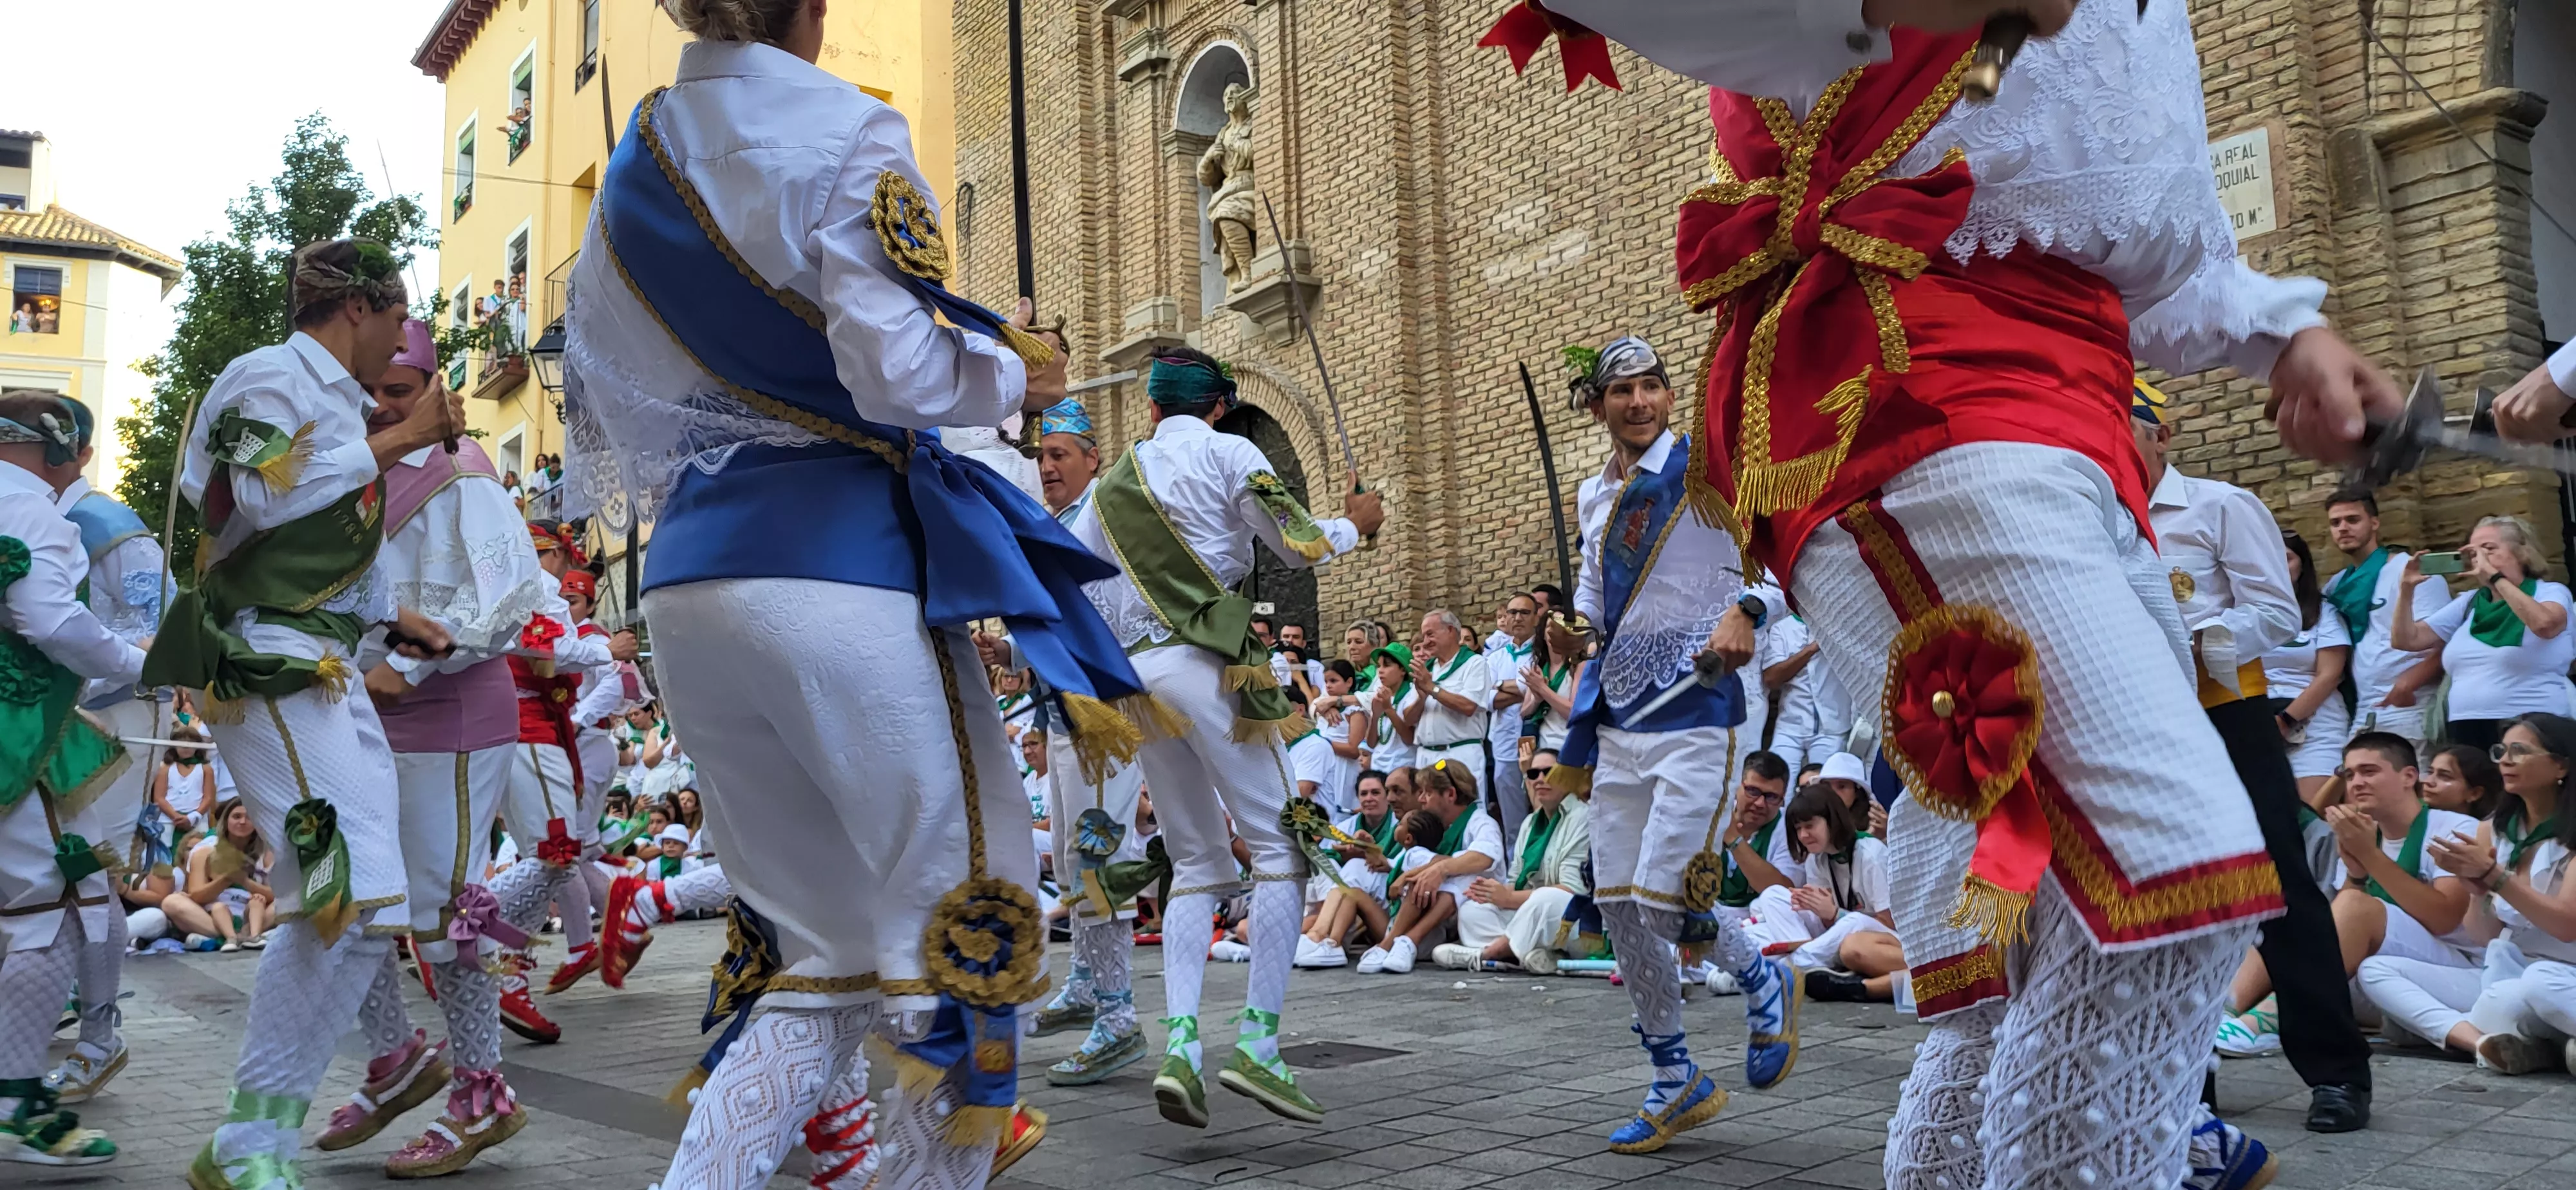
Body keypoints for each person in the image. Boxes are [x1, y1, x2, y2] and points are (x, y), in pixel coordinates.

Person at [1509, 3, 2408, 1184]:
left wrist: (2276, 332)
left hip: (2071, 420)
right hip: (1912, 387)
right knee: (2160, 863)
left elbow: (2130, 221)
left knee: (2011, 947)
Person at [562, 4, 1151, 1180]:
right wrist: (1014, 369)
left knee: (818, 960)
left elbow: (607, 395)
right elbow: (897, 369)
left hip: (691, 578)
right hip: (839, 564)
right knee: (967, 925)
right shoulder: (846, 127)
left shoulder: (638, 157)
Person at [135, 240, 468, 1189]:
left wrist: (394, 617)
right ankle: (247, 1147)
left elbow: (315, 539)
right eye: (401, 316)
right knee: (344, 884)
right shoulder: (265, 375)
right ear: (359, 307)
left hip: (319, 672)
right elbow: (253, 492)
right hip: (264, 667)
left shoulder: (338, 405)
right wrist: (398, 441)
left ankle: (253, 1142)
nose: (406, 339)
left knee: (365, 905)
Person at [1057, 347, 1379, 1129]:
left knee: (1196, 859)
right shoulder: (1233, 451)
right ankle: (1259, 1047)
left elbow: (1088, 595)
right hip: (1210, 666)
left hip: (1139, 683)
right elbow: (1297, 541)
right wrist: (1358, 526)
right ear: (1219, 407)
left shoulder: (1112, 485)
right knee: (1279, 850)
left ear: (1153, 410)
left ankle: (1181, 1047)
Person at [303, 320, 561, 1175]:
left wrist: (407, 676)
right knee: (347, 902)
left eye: (398, 392)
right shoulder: (352, 484)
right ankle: (398, 1059)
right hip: (360, 716)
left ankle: (484, 1095)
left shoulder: (465, 480)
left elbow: (509, 602)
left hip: (448, 721)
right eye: (367, 391)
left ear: (434, 391)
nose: (379, 408)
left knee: (448, 920)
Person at [1545, 334, 1786, 1155]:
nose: (1639, 402)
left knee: (1660, 895)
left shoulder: (1707, 473)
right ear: (1598, 407)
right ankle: (1674, 1076)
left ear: (1668, 397)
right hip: (1619, 716)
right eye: (1623, 392)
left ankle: (1761, 973)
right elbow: (1592, 606)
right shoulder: (1591, 497)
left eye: (1651, 386)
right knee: (1618, 905)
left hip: (1700, 705)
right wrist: (1570, 632)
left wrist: (1746, 613)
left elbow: (1777, 561)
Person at [2136, 377, 2372, 1129]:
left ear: (2160, 433)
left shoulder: (2217, 506)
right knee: (2172, 898)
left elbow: (2276, 612)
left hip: (2228, 710)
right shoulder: (2097, 520)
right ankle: (2184, 1077)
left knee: (2278, 888)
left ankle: (2336, 1073)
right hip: (2144, 721)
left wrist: (2196, 642)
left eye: (2121, 424)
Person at [0, 390, 149, 1167]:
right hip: (16, 738)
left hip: (31, 734)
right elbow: (54, 625)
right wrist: (144, 662)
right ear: (66, 453)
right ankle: (16, 1103)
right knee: (52, 909)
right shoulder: (32, 515)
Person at [41, 398, 170, 1106]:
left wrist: (74, 671)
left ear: (77, 453)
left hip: (115, 718)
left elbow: (157, 632)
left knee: (87, 873)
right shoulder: (35, 518)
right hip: (55, 719)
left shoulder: (111, 528)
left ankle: (98, 1036)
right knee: (58, 872)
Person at [2218, 732, 2479, 1057]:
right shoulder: (2365, 832)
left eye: (2370, 771)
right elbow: (2340, 924)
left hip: (2452, 975)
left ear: (2409, 776)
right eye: (2350, 774)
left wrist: (2369, 858)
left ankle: (2271, 1020)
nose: (2357, 782)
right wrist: (2356, 874)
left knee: (2356, 907)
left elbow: (2444, 919)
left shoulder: (2454, 827)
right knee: (2291, 918)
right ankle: (2225, 1012)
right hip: (2374, 977)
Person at [2360, 713, 2576, 1072]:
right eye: (2501, 751)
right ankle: (2484, 1042)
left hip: (2563, 973)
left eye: (2520, 751)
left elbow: (2567, 926)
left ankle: (2539, 1043)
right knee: (2377, 970)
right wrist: (2477, 890)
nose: (2505, 761)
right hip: (2507, 970)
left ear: (2561, 765)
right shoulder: (2493, 830)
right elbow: (2483, 935)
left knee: (2536, 986)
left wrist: (2494, 875)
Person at [490, 522, 629, 1044]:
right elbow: (543, 654)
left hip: (543, 735)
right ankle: (465, 921)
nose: (567, 583)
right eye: (566, 565)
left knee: (552, 855)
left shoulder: (513, 583)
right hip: (536, 734)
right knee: (557, 853)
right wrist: (607, 651)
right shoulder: (536, 586)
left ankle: (512, 969)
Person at [2388, 515, 2575, 752]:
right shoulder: (2469, 602)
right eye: (2475, 553)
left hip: (2531, 724)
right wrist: (2406, 590)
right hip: (2466, 725)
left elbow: (2545, 625)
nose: (2481, 560)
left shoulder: (2550, 592)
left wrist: (2497, 579)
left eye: (2490, 550)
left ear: (2522, 553)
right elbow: (2406, 640)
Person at [1442, 751, 1591, 972]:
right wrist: (1493, 894)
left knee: (1548, 897)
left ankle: (1491, 953)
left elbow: (1571, 890)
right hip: (1534, 915)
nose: (1540, 779)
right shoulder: (1530, 823)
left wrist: (1509, 897)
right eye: (1533, 773)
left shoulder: (1583, 817)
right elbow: (1515, 880)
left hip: (1574, 920)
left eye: (1548, 772)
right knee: (1473, 911)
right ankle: (1533, 955)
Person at [2320, 489, 2448, 746]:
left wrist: (2409, 684)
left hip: (2411, 704)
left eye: (2353, 520)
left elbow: (2445, 638)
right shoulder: (2335, 587)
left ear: (2375, 523)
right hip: (2364, 706)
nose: (2343, 528)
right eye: (2336, 523)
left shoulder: (2411, 571)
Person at [1357, 759, 1502, 974]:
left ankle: (1406, 941)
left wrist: (1438, 870)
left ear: (1450, 795)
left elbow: (1484, 858)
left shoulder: (1481, 822)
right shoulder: (1441, 825)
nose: (1421, 800)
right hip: (1442, 917)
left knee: (1460, 877)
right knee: (1426, 873)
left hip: (1481, 910)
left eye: (1427, 793)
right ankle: (1394, 943)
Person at [2264, 531, 2353, 804]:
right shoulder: (2243, 611)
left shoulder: (2323, 612)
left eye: (2287, 558)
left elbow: (2330, 675)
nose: (2278, 565)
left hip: (2314, 723)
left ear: (2303, 564)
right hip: (2261, 723)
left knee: (2314, 811)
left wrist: (2287, 720)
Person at [1400, 609, 1497, 801]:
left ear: (1451, 631)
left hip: (1460, 754)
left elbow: (1469, 706)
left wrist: (1431, 688)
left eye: (1430, 634)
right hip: (1426, 756)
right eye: (1424, 635)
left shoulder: (1474, 664)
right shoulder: (1426, 669)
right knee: (1429, 820)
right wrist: (1421, 697)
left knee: (1465, 812)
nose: (1425, 641)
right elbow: (1409, 719)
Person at [163, 798, 274, 950]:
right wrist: (225, 880)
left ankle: (246, 934)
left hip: (253, 913)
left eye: (249, 818)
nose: (243, 822)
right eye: (236, 817)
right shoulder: (205, 851)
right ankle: (232, 937)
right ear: (226, 821)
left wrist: (245, 882)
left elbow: (275, 896)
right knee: (172, 902)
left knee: (293, 900)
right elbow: (196, 896)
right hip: (214, 914)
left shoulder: (266, 853)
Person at [1759, 614, 1848, 779]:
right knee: (1775, 784)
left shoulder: (1840, 626)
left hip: (1832, 727)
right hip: (1790, 726)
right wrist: (1812, 649)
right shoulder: (1783, 628)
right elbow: (1771, 678)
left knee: (1824, 791)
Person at [1484, 592, 1542, 837]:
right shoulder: (1494, 658)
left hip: (1540, 741)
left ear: (1536, 618)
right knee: (1512, 820)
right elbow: (1487, 700)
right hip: (1505, 743)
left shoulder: (1543, 652)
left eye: (1524, 613)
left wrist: (1501, 685)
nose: (1517, 618)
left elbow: (1542, 685)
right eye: (1513, 613)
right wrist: (1524, 688)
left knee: (1543, 806)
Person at [2420, 743, 2503, 820]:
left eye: (2445, 776)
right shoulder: (2413, 821)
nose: (2428, 781)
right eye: (2430, 772)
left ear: (2474, 793)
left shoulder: (2483, 833)